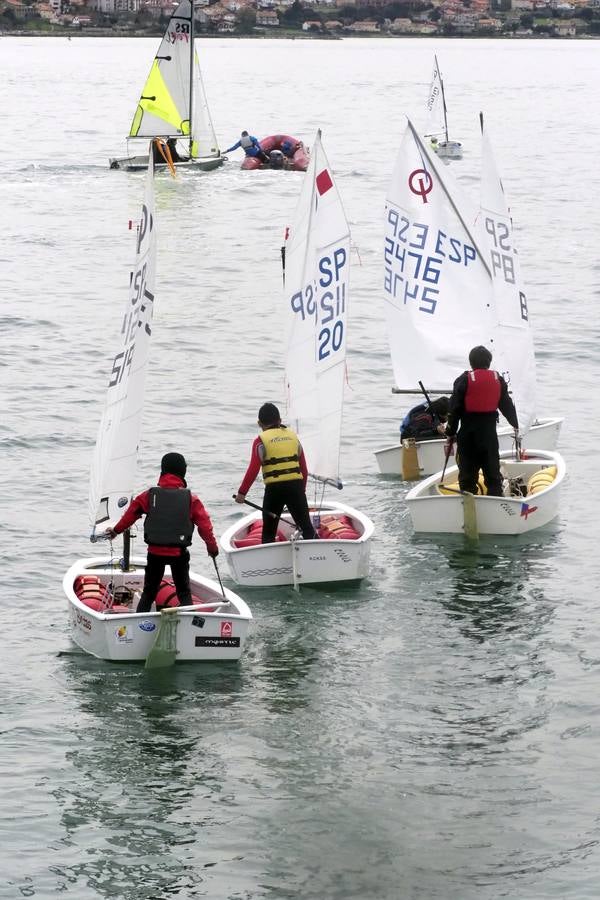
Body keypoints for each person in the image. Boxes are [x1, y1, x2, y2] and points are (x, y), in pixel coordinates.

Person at [105, 452, 219, 613]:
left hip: (154, 554)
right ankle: (190, 624)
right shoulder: (191, 499)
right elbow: (205, 527)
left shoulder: (147, 496)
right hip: (179, 554)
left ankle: (140, 624)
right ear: (182, 472)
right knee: (184, 593)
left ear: (163, 471)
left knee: (149, 593)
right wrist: (212, 549)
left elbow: (130, 516)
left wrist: (116, 531)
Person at [234, 402, 317, 543]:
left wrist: (242, 494)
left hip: (274, 491)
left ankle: (269, 560)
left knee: (269, 532)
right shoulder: (293, 437)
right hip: (295, 488)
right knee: (307, 527)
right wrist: (300, 492)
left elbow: (253, 470)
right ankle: (318, 554)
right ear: (280, 421)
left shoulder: (260, 441)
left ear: (259, 423)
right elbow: (304, 469)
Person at [444, 346, 519, 497]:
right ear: (489, 362)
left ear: (471, 363)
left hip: (468, 437)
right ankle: (495, 503)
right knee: (493, 477)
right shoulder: (498, 380)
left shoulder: (463, 380)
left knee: (467, 479)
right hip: (489, 438)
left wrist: (450, 433)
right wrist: (517, 425)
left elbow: (454, 411)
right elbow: (507, 407)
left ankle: (467, 507)